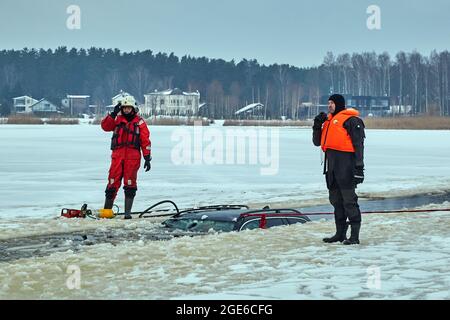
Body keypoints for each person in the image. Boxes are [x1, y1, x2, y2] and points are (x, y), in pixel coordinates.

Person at [312, 94, 365, 245]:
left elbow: (359, 146)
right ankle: (340, 234)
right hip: (332, 169)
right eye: (328, 103)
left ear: (339, 104)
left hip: (346, 167)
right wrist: (317, 124)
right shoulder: (327, 121)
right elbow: (317, 142)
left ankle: (354, 236)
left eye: (332, 103)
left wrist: (359, 168)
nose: (329, 105)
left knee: (349, 201)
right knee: (336, 201)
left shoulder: (351, 120)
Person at [101, 95, 152, 219]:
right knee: (112, 183)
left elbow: (145, 141)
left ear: (133, 108)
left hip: (132, 158)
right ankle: (107, 212)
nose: (126, 110)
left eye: (128, 108)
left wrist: (147, 157)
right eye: (124, 108)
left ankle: (127, 213)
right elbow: (105, 127)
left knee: (130, 184)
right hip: (117, 157)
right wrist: (113, 114)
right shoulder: (117, 120)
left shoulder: (140, 122)